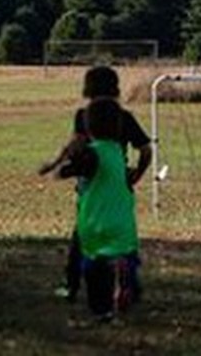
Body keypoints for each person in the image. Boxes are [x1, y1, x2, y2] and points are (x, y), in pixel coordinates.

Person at [39, 65, 152, 301]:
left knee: (81, 237)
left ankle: (72, 285)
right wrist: (137, 174)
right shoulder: (125, 117)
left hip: (90, 186)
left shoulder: (84, 115)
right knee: (121, 237)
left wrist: (55, 165)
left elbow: (74, 146)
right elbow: (145, 149)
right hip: (119, 185)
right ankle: (130, 283)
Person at [56, 96, 141, 321]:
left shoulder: (92, 152)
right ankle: (126, 281)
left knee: (94, 265)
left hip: (94, 220)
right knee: (122, 253)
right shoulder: (117, 153)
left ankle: (102, 309)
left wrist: (65, 168)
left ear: (89, 127)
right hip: (122, 219)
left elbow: (75, 169)